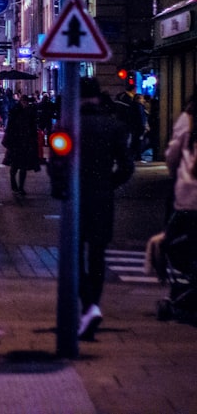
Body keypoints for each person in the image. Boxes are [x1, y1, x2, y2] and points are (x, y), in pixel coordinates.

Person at [69, 77, 135, 340]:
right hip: (102, 199)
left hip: (74, 200)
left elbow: (57, 166)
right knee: (97, 255)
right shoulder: (113, 126)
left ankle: (88, 305)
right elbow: (127, 167)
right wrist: (109, 184)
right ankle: (93, 305)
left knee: (72, 257)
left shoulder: (68, 125)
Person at [164, 89, 197, 283]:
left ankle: (191, 277)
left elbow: (172, 155)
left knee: (177, 240)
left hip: (189, 195)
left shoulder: (188, 118)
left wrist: (176, 174)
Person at [2, 93, 40, 194]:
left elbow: (32, 128)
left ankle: (21, 188)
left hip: (25, 144)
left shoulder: (29, 113)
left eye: (26, 102)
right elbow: (10, 128)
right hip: (16, 144)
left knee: (23, 167)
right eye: (24, 102)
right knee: (14, 167)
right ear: (21, 102)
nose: (25, 104)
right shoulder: (15, 112)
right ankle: (14, 185)